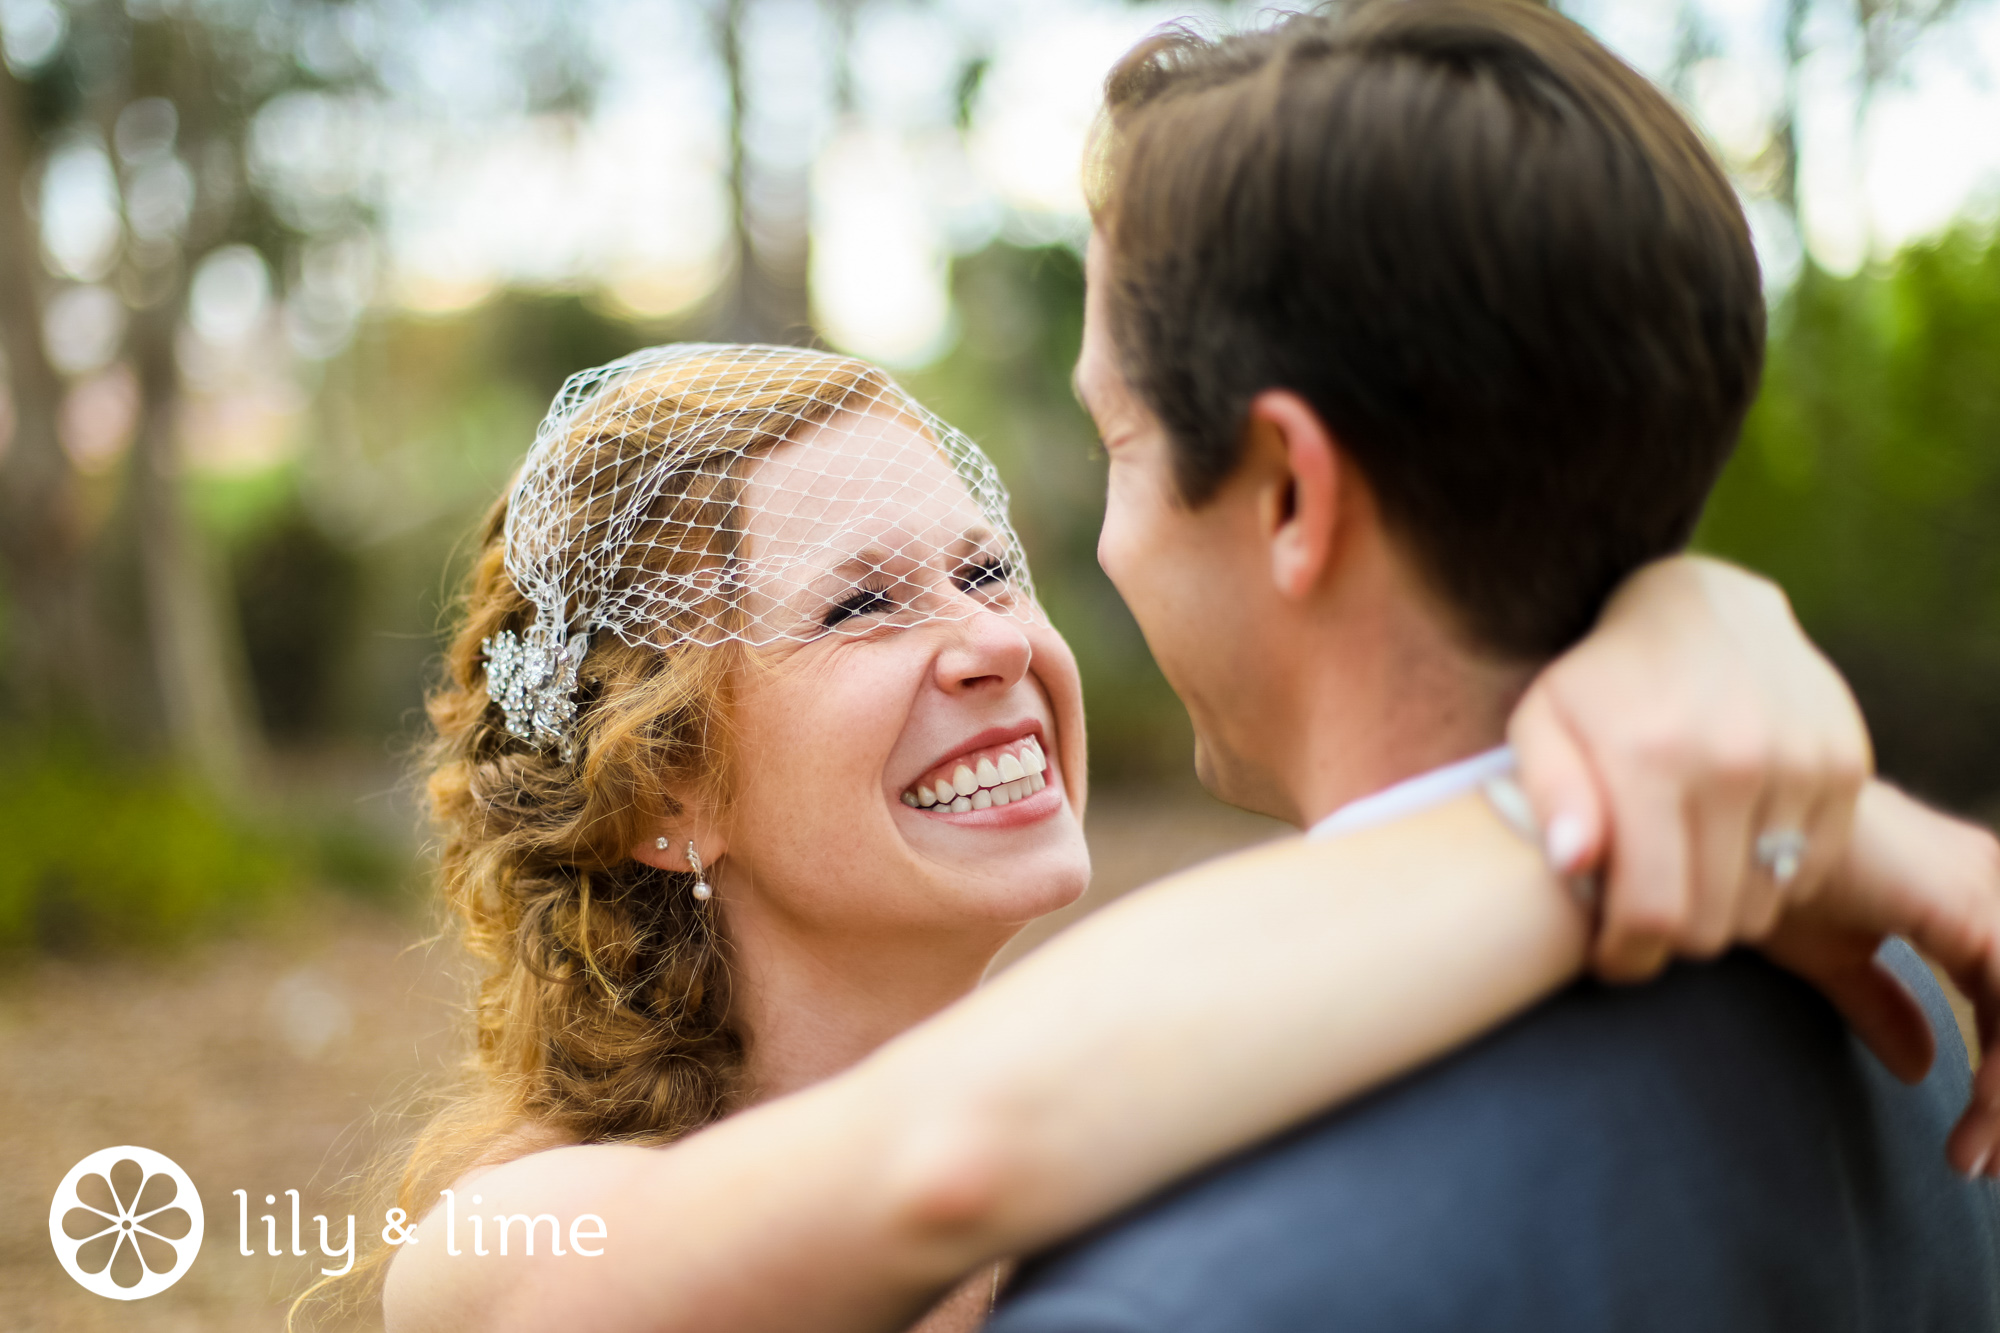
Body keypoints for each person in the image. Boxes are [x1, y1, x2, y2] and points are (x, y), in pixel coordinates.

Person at [369, 342, 2000, 1333]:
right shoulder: (508, 1251)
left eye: (987, 569)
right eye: (862, 603)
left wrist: (1697, 624)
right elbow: (953, 1151)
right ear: (665, 789)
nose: (993, 639)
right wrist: (1680, 771)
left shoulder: (1186, 1090)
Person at [987, 4, 2000, 1331]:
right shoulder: (1905, 990)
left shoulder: (1173, 1274)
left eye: (1113, 439)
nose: (1109, 545)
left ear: (1292, 492)